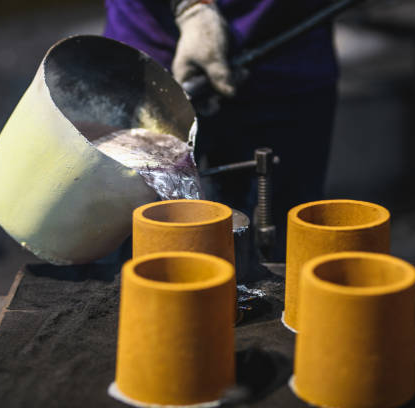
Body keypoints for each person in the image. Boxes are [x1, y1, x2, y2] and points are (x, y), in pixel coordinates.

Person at [104, 0, 338, 260]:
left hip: (288, 51)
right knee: (138, 241)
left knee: (290, 240)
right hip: (156, 55)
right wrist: (190, 7)